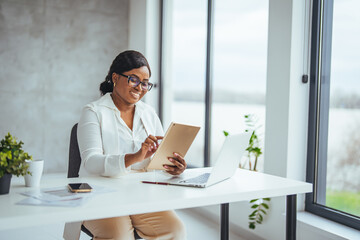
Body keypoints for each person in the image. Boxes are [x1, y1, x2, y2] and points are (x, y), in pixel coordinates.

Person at [64, 50, 187, 240]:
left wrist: (173, 167)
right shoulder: (93, 112)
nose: (140, 87)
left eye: (145, 83)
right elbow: (91, 162)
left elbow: (157, 160)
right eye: (133, 79)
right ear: (115, 77)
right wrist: (136, 156)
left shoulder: (149, 113)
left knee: (175, 229)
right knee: (119, 235)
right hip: (99, 195)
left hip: (141, 195)